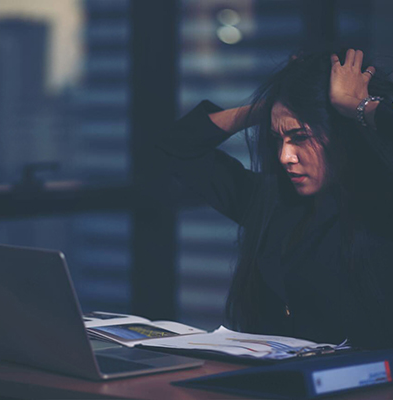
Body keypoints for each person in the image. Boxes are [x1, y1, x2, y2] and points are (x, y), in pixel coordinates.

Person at [157, 49, 393, 349]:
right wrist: (268, 107)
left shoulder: (382, 209)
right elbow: (176, 148)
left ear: (340, 133)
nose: (285, 156)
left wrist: (358, 106)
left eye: (300, 137)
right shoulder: (270, 202)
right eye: (278, 139)